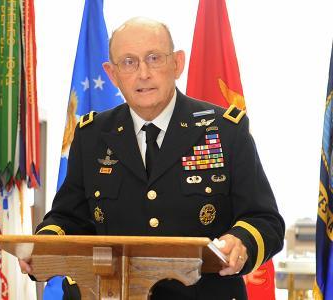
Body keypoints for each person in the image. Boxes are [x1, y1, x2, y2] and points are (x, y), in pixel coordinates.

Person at [20, 17, 285, 299]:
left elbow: (264, 220)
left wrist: (241, 242)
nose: (143, 73)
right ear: (112, 74)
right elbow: (68, 217)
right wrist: (44, 247)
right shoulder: (92, 135)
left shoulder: (225, 130)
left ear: (177, 64)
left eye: (154, 58)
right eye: (129, 62)